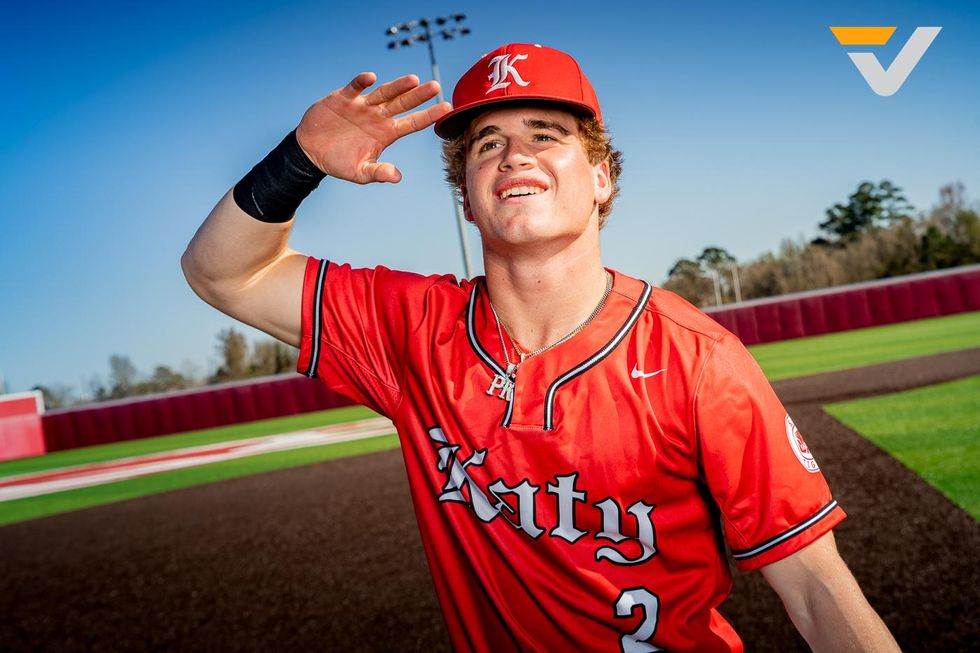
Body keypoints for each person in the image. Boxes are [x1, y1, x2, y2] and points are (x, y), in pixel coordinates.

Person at [183, 43, 900, 652]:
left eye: (545, 134)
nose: (513, 154)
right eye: (486, 144)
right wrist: (299, 159)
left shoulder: (697, 360)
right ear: (466, 197)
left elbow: (813, 585)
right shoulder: (407, 326)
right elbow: (223, 272)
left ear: (601, 178)